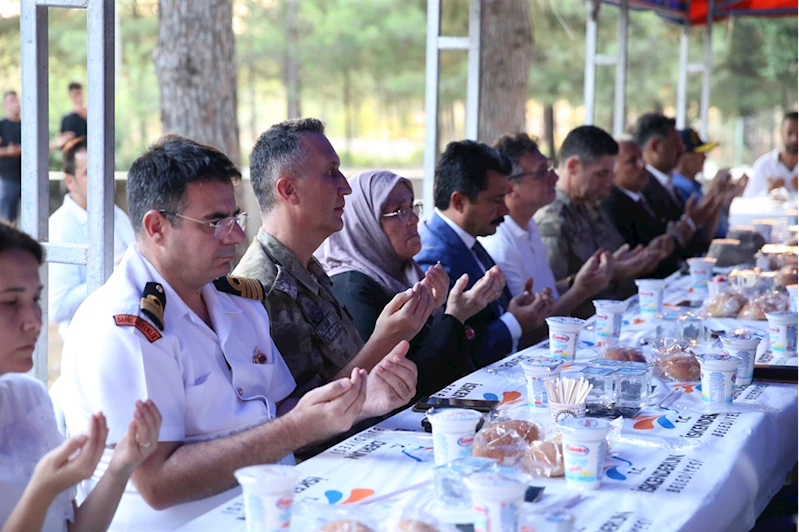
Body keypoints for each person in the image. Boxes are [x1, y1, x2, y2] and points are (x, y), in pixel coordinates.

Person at [59, 135, 416, 530]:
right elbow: (157, 485)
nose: (235, 236)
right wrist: (297, 429)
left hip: (273, 507)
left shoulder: (235, 299)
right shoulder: (127, 326)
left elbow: (276, 409)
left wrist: (356, 401)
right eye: (215, 222)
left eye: (235, 218)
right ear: (157, 227)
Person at [236, 118, 427, 398]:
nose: (346, 187)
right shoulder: (262, 288)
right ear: (289, 190)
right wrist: (386, 339)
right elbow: (297, 422)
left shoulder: (309, 268)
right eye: (331, 172)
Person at [0, 221, 161, 532]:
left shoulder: (29, 399)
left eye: (35, 299)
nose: (35, 321)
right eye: (9, 302)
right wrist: (41, 491)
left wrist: (121, 466)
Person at [317, 170, 503, 395]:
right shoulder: (352, 289)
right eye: (399, 211)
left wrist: (438, 311)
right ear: (365, 222)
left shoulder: (404, 272)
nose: (414, 219)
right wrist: (454, 316)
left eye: (413, 207)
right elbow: (409, 384)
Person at [415, 139, 552, 366]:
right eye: (496, 200)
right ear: (459, 201)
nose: (505, 210)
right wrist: (514, 321)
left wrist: (518, 308)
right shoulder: (434, 259)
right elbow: (457, 353)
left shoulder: (471, 239)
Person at [534, 126, 665, 318]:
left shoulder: (590, 204)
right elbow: (552, 294)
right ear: (573, 167)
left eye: (610, 174)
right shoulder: (552, 219)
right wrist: (610, 274)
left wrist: (629, 262)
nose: (609, 181)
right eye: (601, 174)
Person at [480, 132, 613, 317]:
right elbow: (530, 327)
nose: (555, 178)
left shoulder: (529, 224)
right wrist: (581, 290)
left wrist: (579, 281)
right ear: (510, 187)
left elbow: (546, 292)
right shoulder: (500, 243)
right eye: (542, 172)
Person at [48, 136, 136, 339]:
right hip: (91, 339)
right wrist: (116, 271)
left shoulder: (114, 213)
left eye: (106, 169)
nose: (103, 177)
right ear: (70, 181)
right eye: (89, 172)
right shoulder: (61, 226)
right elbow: (58, 307)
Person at [601, 138, 691, 278]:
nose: (642, 165)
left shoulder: (650, 194)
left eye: (641, 158)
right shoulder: (610, 205)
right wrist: (650, 252)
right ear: (612, 171)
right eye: (632, 161)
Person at [633, 113, 722, 254]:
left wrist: (709, 212)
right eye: (675, 143)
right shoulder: (641, 187)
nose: (681, 150)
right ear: (656, 147)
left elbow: (696, 244)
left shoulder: (668, 185)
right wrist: (691, 222)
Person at [674, 128, 746, 239]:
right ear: (683, 157)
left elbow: (720, 227)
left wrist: (725, 199)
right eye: (699, 153)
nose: (704, 157)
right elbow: (702, 236)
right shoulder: (678, 188)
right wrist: (714, 194)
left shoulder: (694, 185)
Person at [744, 111, 798, 198]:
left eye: (798, 133)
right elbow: (747, 203)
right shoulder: (764, 166)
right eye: (790, 133)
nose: (794, 139)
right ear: (782, 133)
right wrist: (768, 190)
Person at [0, 90, 22, 223]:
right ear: (5, 104)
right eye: (12, 101)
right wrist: (9, 151)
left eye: (17, 100)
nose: (16, 104)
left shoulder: (27, 125)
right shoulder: (2, 125)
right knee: (7, 218)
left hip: (26, 178)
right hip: (7, 178)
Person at [56, 82, 88, 150]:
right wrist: (66, 138)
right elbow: (59, 142)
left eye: (80, 93)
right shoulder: (67, 119)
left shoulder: (91, 115)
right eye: (75, 94)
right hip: (72, 157)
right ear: (70, 96)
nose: (79, 97)